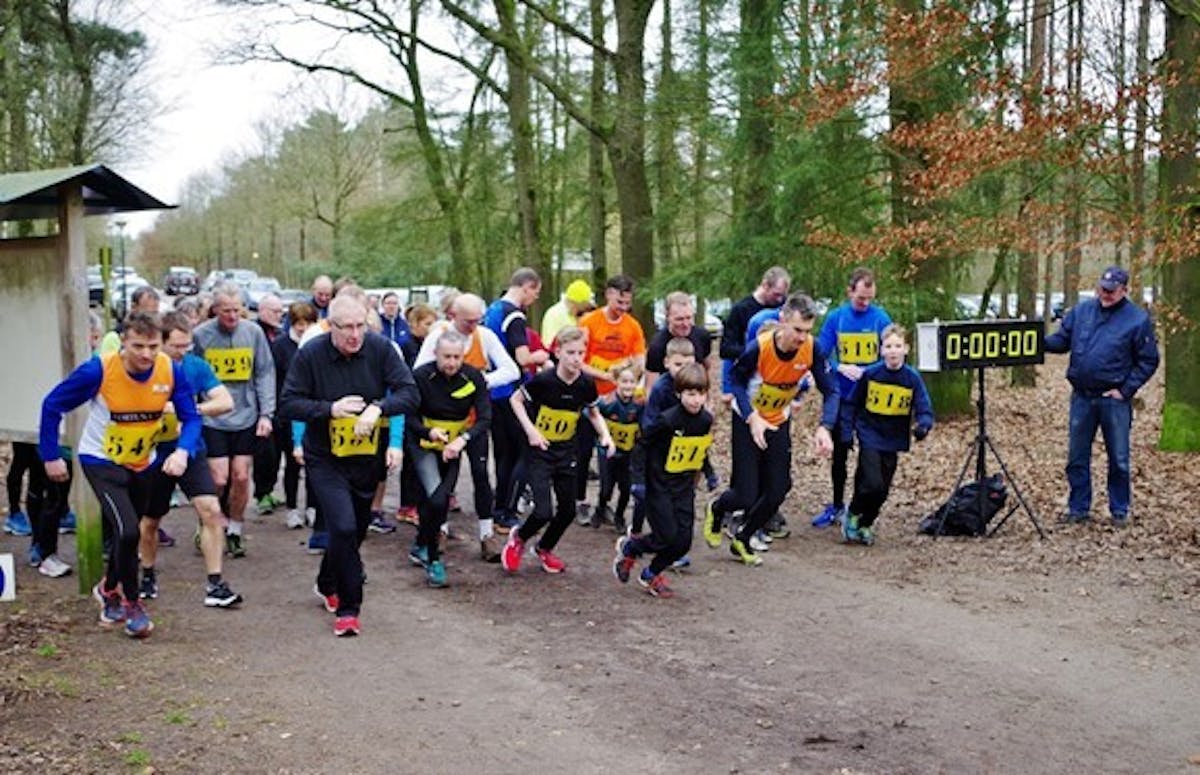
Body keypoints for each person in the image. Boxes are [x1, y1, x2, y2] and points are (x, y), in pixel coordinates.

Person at [39, 311, 203, 638]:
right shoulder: (99, 370)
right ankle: (132, 604)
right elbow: (52, 404)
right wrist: (50, 455)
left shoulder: (171, 370)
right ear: (123, 342)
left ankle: (108, 589)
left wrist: (183, 451)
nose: (146, 354)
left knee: (127, 532)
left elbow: (192, 417)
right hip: (101, 460)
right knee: (128, 531)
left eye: (153, 347)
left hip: (143, 462)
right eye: (137, 346)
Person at [279, 295, 418, 637]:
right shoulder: (311, 354)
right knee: (341, 527)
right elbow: (289, 403)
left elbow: (410, 393)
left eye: (360, 326)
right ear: (330, 326)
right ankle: (349, 609)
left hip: (366, 456)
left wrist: (379, 408)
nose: (355, 335)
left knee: (355, 530)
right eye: (347, 328)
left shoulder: (380, 349)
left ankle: (327, 581)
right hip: (324, 457)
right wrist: (329, 410)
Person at [704, 294, 836, 566]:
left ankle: (744, 537)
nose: (802, 337)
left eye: (807, 331)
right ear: (782, 320)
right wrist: (752, 417)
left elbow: (831, 390)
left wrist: (825, 427)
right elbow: (736, 382)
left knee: (779, 488)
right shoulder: (759, 348)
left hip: (777, 419)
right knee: (745, 493)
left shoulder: (812, 349)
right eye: (797, 330)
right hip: (748, 419)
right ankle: (717, 508)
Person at [139, 312, 244, 607]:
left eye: (187, 345)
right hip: (152, 452)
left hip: (190, 449)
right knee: (150, 520)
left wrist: (190, 411)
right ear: (159, 342)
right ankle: (147, 575)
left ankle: (215, 584)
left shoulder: (195, 366)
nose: (183, 351)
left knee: (211, 510)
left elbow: (226, 401)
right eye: (176, 346)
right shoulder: (144, 369)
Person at [1044, 266, 1159, 526]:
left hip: (1113, 400)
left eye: (1111, 290)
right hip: (1082, 397)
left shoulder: (1137, 320)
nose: (1105, 294)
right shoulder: (1082, 312)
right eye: (1102, 289)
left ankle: (1119, 510)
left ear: (1124, 290)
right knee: (1076, 457)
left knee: (1118, 458)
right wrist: (1037, 342)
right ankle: (1078, 508)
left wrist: (1126, 390)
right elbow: (1062, 341)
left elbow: (1148, 360)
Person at [501, 326, 616, 575]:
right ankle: (519, 538)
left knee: (568, 511)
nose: (576, 359)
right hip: (540, 451)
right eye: (571, 353)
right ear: (558, 352)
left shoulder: (586, 384)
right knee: (543, 511)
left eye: (581, 353)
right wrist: (531, 431)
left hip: (566, 451)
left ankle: (544, 548)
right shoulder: (544, 381)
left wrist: (605, 435)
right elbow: (515, 400)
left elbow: (593, 413)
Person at [414, 293, 519, 556]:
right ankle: (440, 530)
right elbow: (419, 373)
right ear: (453, 316)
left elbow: (512, 370)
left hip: (474, 422)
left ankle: (486, 535)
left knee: (481, 474)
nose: (473, 326)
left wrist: (481, 382)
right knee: (442, 481)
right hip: (442, 423)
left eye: (477, 320)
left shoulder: (485, 337)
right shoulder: (439, 336)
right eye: (467, 321)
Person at [613, 362, 713, 598]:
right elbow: (641, 445)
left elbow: (699, 448)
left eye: (700, 394)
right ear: (679, 394)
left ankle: (650, 573)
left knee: (683, 543)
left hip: (684, 486)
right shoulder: (667, 420)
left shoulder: (705, 420)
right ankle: (631, 547)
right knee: (666, 536)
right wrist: (638, 481)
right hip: (659, 484)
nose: (696, 400)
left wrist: (709, 472)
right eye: (690, 394)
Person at [191, 282, 275, 558]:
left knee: (240, 475)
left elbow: (264, 372)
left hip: (246, 415)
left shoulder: (254, 333)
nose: (232, 316)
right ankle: (209, 522)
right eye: (226, 311)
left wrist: (266, 414)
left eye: (237, 310)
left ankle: (236, 529)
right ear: (215, 310)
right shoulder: (201, 336)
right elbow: (191, 375)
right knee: (218, 478)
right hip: (213, 417)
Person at [406, 330, 492, 583]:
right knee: (435, 499)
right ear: (436, 354)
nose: (451, 363)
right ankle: (433, 560)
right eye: (446, 357)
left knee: (440, 500)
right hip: (424, 443)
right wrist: (428, 432)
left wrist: (463, 439)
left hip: (452, 446)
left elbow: (485, 417)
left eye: (456, 357)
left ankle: (421, 542)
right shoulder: (421, 376)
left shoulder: (473, 377)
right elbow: (408, 415)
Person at [811, 267, 893, 530]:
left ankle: (857, 507)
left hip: (870, 397)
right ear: (850, 292)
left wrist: (868, 370)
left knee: (869, 452)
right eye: (860, 298)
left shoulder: (880, 318)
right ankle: (836, 504)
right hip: (843, 396)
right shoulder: (836, 318)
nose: (865, 303)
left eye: (869, 298)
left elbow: (891, 354)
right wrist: (840, 367)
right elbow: (820, 353)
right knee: (840, 450)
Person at [841, 325, 933, 545]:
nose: (893, 351)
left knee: (882, 489)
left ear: (906, 349)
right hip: (869, 433)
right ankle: (853, 513)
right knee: (872, 482)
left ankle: (866, 523)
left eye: (898, 346)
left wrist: (923, 425)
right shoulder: (871, 374)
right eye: (889, 346)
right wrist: (846, 432)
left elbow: (924, 407)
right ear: (881, 350)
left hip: (893, 438)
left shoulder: (912, 378)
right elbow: (852, 403)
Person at [484, 268, 550, 537]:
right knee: (524, 453)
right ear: (527, 286)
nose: (535, 298)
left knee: (503, 454)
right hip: (512, 393)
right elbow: (523, 358)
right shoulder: (515, 316)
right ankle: (506, 511)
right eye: (536, 292)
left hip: (493, 391)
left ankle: (499, 507)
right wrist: (541, 356)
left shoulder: (492, 310)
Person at [575, 275, 646, 523]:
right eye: (619, 302)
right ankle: (580, 500)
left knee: (616, 453)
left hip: (619, 399)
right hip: (589, 395)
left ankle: (607, 503)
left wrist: (628, 382)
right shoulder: (589, 322)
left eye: (627, 303)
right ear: (608, 295)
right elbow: (578, 360)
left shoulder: (633, 327)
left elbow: (639, 361)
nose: (623, 308)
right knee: (584, 451)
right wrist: (604, 375)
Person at [271, 301, 319, 529]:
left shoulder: (318, 344)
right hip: (288, 412)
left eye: (307, 323)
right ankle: (292, 508)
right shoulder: (280, 346)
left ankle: (312, 506)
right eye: (299, 323)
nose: (303, 328)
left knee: (315, 463)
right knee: (292, 462)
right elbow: (274, 379)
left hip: (314, 410)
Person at [718, 267, 790, 402]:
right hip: (746, 379)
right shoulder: (741, 309)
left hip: (776, 380)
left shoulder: (783, 308)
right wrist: (727, 388)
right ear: (765, 285)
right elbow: (726, 350)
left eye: (782, 295)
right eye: (776, 294)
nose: (780, 299)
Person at [595, 367, 644, 533]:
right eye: (624, 381)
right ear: (616, 382)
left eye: (632, 382)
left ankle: (619, 516)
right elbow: (592, 413)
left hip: (628, 453)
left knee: (626, 488)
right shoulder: (607, 402)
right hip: (607, 453)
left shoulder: (639, 404)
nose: (628, 385)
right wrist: (601, 435)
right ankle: (600, 508)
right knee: (606, 487)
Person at [252, 293, 285, 515]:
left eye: (281, 311)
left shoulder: (280, 335)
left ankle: (270, 489)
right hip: (259, 401)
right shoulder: (255, 333)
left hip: (281, 398)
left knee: (277, 451)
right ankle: (261, 493)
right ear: (262, 310)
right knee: (265, 451)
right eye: (275, 311)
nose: (279, 315)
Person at [644, 292, 712, 393]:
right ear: (667, 317)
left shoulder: (702, 336)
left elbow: (706, 369)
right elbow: (650, 387)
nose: (685, 324)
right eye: (679, 319)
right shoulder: (657, 346)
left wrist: (706, 394)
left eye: (689, 318)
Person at [99, 286, 161, 355]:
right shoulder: (113, 338)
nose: (151, 318)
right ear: (133, 307)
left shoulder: (160, 335)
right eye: (147, 313)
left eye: (155, 313)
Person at [540, 279, 593, 344]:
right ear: (574, 302)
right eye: (582, 306)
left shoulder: (576, 315)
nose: (583, 310)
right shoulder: (554, 314)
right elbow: (549, 342)